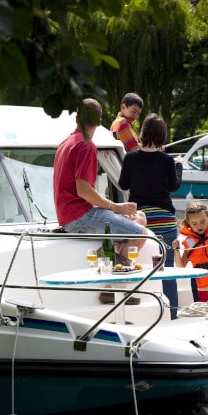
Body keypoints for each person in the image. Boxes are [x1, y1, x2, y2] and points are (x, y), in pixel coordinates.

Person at [53, 98, 148, 304]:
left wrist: (116, 210)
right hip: (80, 216)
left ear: (77, 118)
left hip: (68, 216)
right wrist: (116, 206)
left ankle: (109, 270)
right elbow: (83, 190)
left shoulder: (65, 143)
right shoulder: (86, 145)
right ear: (99, 121)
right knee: (142, 234)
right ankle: (112, 288)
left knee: (139, 217)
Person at [118, 113, 183, 319]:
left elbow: (123, 185)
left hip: (141, 220)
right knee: (167, 270)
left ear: (143, 133)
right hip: (165, 220)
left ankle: (139, 315)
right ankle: (171, 315)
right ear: (162, 135)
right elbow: (174, 186)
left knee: (139, 267)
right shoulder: (166, 160)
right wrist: (178, 166)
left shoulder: (130, 157)